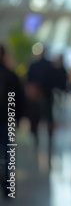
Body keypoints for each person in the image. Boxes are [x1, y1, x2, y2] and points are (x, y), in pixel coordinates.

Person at [0, 44, 25, 198]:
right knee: (8, 154)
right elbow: (18, 99)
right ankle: (9, 187)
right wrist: (17, 118)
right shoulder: (10, 75)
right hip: (7, 119)